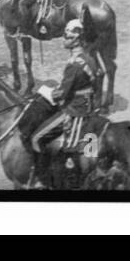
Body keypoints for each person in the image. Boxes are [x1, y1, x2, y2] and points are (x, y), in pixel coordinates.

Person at [22, 18, 100, 189]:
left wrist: (43, 91)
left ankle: (42, 180)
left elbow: (61, 94)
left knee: (36, 138)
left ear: (76, 39)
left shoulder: (74, 65)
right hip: (88, 105)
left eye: (67, 36)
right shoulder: (89, 58)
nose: (64, 39)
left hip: (75, 110)